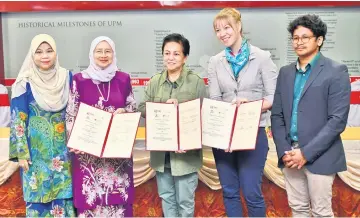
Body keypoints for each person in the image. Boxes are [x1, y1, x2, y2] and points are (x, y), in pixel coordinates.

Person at [271, 14, 351, 217]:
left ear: (319, 40)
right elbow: (277, 115)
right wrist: (284, 151)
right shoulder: (285, 72)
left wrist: (305, 153)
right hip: (290, 154)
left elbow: (337, 121)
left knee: (321, 212)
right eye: (295, 38)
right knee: (298, 209)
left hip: (320, 156)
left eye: (305, 37)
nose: (299, 42)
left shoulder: (336, 71)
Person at [207, 8, 278, 217]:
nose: (223, 33)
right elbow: (215, 100)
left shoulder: (262, 57)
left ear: (238, 26)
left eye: (227, 27)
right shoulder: (215, 61)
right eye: (218, 30)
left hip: (253, 132)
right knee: (229, 192)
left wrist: (250, 105)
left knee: (251, 191)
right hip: (223, 135)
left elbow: (274, 97)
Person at [66, 36, 136, 217]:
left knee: (118, 204)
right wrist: (75, 141)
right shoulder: (79, 80)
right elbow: (71, 114)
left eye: (108, 51)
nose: (103, 55)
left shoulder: (124, 79)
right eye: (99, 51)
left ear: (113, 53)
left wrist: (125, 113)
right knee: (91, 204)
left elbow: (132, 108)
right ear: (91, 54)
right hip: (88, 157)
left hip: (116, 158)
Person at [138, 33, 207, 217]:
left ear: (185, 57)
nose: (171, 58)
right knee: (167, 199)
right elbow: (142, 108)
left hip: (186, 157)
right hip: (161, 156)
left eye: (176, 54)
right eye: (167, 53)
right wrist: (162, 109)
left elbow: (204, 117)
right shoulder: (154, 82)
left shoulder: (196, 83)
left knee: (185, 203)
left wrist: (189, 140)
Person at [9, 34, 75, 217]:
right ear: (32, 55)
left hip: (64, 154)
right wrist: (21, 154)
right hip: (35, 155)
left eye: (49, 51)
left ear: (56, 53)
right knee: (39, 200)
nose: (44, 56)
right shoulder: (24, 82)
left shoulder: (67, 77)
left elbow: (76, 112)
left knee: (64, 200)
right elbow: (17, 120)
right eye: (38, 52)